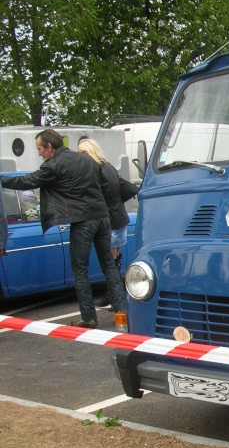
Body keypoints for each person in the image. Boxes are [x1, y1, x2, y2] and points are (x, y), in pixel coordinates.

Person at [0, 129, 126, 328]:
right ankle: (123, 310)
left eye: (40, 149)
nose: (39, 153)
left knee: (80, 271)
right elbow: (103, 186)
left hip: (82, 221)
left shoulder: (53, 165)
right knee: (109, 265)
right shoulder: (87, 160)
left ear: (50, 147)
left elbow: (26, 182)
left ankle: (88, 318)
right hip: (103, 217)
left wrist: (2, 180)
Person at [76, 138, 131, 307]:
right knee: (114, 259)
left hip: (109, 219)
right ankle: (115, 295)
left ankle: (115, 296)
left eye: (80, 153)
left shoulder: (95, 171)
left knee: (109, 262)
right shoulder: (110, 167)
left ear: (87, 153)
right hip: (120, 216)